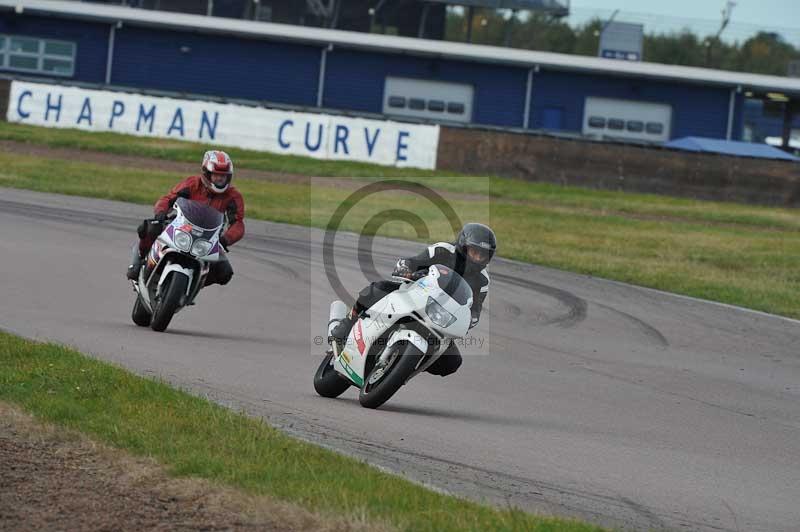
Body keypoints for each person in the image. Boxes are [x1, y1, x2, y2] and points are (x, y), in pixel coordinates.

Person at [330, 223, 496, 377]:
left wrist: (469, 321)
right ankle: (345, 326)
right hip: (414, 295)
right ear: (463, 246)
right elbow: (413, 261)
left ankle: (405, 366)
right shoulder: (443, 250)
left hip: (440, 319)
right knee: (377, 289)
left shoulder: (483, 280)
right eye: (474, 251)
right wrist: (406, 269)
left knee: (452, 362)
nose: (477, 257)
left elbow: (475, 309)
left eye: (482, 255)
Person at [126, 150, 245, 286]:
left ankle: (194, 283)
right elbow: (168, 199)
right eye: (216, 175)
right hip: (180, 225)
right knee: (149, 228)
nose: (220, 179)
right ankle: (138, 262)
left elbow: (238, 223)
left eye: (223, 176)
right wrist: (160, 213)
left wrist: (225, 239)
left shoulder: (233, 196)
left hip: (209, 238)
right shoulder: (192, 183)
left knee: (225, 273)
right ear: (206, 173)